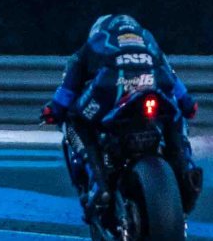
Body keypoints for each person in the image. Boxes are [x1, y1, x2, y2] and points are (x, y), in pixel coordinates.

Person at [39, 13, 204, 214]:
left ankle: (98, 183)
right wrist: (188, 105)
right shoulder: (147, 38)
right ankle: (185, 173)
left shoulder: (96, 40)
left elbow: (68, 87)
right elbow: (173, 79)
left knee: (75, 121)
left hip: (113, 87)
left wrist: (53, 110)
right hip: (154, 84)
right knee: (175, 115)